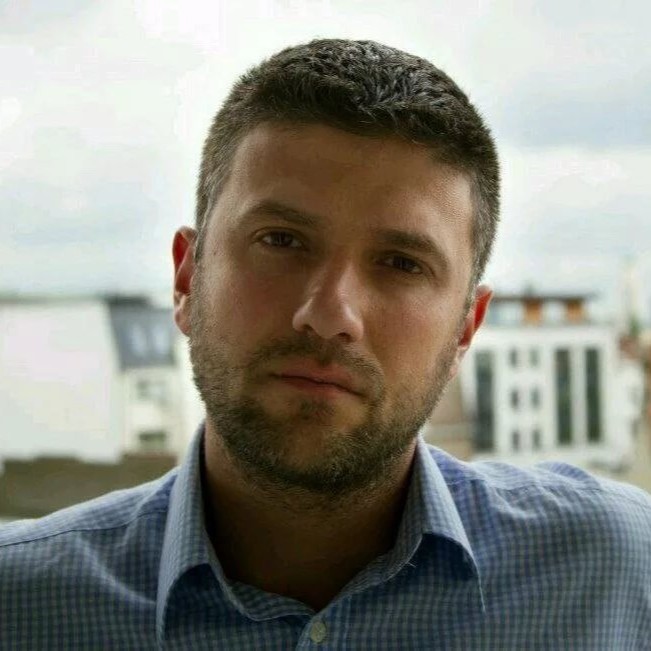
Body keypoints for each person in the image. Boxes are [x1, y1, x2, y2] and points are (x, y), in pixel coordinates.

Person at [0, 39, 649, 650]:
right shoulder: (21, 606)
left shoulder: (615, 571)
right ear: (186, 279)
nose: (329, 314)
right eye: (281, 240)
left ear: (465, 329)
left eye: (400, 263)